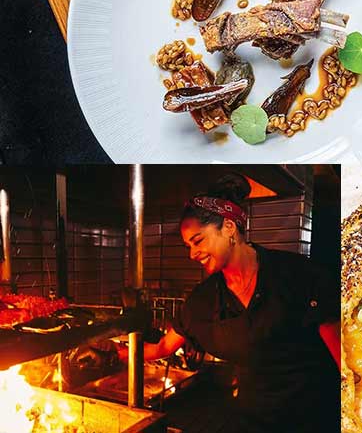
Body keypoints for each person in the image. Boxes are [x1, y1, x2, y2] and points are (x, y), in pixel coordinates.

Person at [121, 174, 341, 432]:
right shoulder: (203, 300)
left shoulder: (298, 276)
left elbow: (342, 356)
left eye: (198, 240)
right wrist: (114, 351)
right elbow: (163, 347)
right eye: (187, 246)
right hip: (252, 418)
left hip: (313, 417)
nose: (193, 254)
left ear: (228, 227)